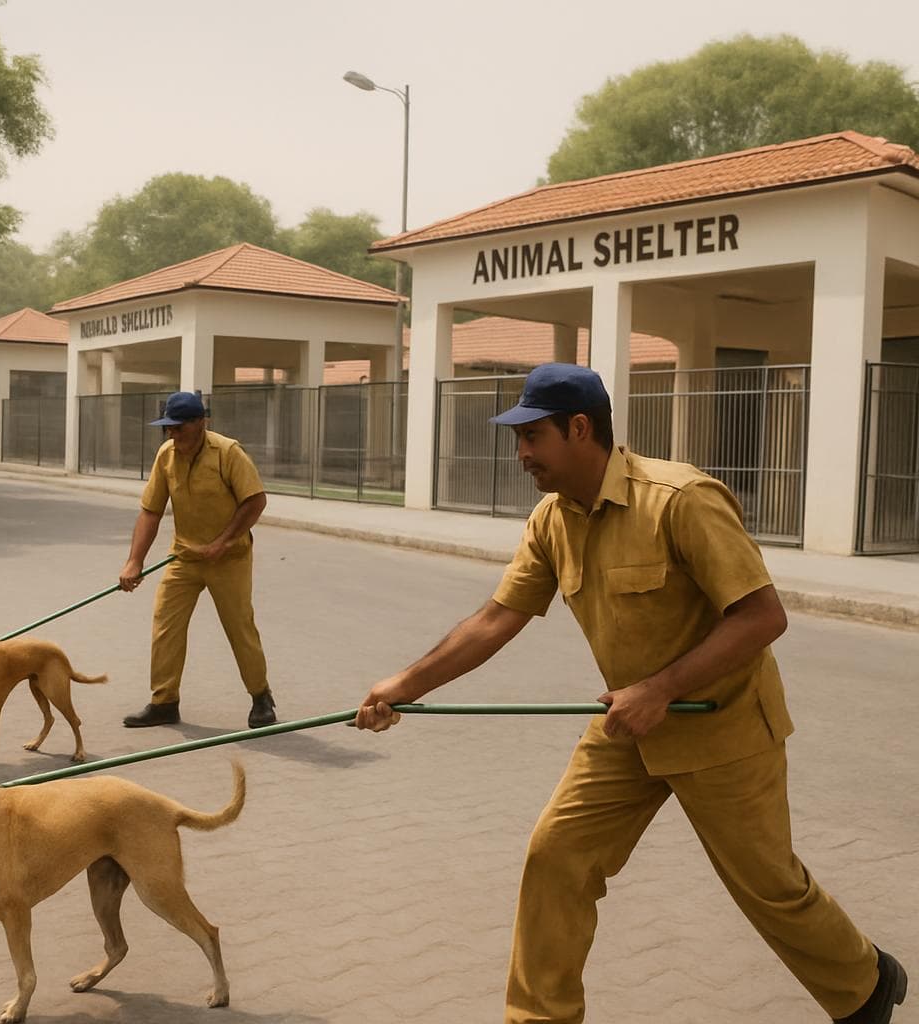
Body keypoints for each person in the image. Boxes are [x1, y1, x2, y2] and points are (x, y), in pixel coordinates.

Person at [354, 363, 907, 1024]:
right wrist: (404, 685)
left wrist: (661, 688)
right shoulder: (552, 520)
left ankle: (865, 985)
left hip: (722, 726)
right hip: (625, 728)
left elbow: (763, 617)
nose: (522, 454)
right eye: (519, 438)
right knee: (556, 857)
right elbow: (496, 618)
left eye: (533, 437)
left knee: (769, 887)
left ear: (580, 428)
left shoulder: (678, 499)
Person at [118, 390, 277, 729]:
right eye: (167, 429)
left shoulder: (228, 453)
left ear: (200, 422)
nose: (172, 435)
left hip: (229, 558)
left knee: (239, 627)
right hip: (185, 557)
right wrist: (134, 562)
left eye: (178, 428)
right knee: (165, 624)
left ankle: (261, 697)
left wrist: (223, 541)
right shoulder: (166, 456)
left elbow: (255, 502)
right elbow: (151, 511)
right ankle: (164, 702)